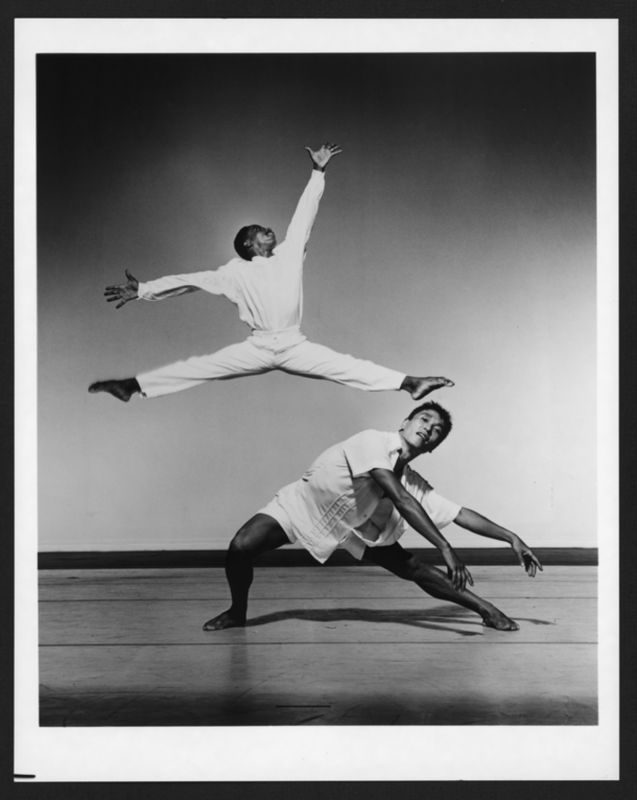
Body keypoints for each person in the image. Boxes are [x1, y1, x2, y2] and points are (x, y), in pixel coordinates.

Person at [88, 143, 452, 403]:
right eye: (261, 231)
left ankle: (409, 383)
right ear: (248, 244)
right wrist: (143, 290)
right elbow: (190, 282)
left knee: (345, 366)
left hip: (294, 343)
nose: (270, 231)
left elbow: (304, 214)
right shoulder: (233, 272)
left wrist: (318, 172)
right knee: (202, 367)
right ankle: (132, 386)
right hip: (259, 346)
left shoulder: (289, 255)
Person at [203, 400, 542, 633]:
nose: (428, 428)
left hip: (351, 525)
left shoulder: (411, 479)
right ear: (405, 423)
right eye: (424, 419)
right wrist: (445, 548)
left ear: (433, 446)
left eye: (436, 430)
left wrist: (512, 537)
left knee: (413, 569)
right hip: (302, 505)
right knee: (240, 546)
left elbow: (458, 513)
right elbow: (401, 498)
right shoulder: (373, 441)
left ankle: (487, 611)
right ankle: (237, 611)